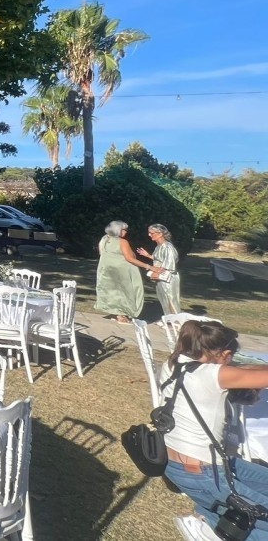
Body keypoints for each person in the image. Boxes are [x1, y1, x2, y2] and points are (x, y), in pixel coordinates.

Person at [161, 320, 268, 538]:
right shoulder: (213, 375)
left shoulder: (173, 364)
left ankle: (207, 515)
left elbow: (237, 371)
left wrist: (238, 367)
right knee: (259, 521)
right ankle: (208, 528)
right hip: (205, 473)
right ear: (225, 354)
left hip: (173, 465)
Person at [95, 220, 148, 324]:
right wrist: (148, 266)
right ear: (118, 230)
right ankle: (122, 315)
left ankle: (116, 312)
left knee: (112, 291)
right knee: (126, 292)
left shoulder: (104, 239)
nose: (126, 232)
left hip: (107, 269)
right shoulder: (122, 242)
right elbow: (130, 258)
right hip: (122, 271)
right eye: (124, 230)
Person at [137, 223, 182, 316]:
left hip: (168, 277)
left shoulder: (167, 247)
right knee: (163, 298)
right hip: (161, 276)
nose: (149, 235)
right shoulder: (159, 246)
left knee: (170, 299)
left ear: (160, 233)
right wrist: (148, 255)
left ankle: (175, 321)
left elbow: (169, 262)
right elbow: (160, 259)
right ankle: (168, 319)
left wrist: (157, 272)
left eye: (152, 233)